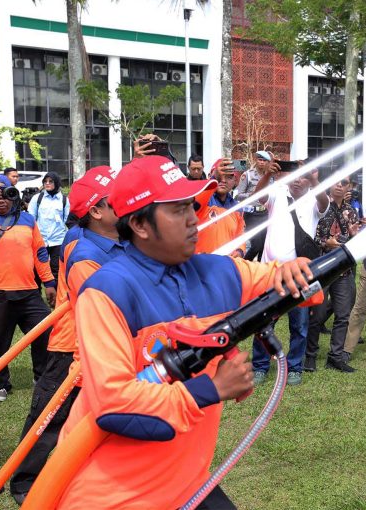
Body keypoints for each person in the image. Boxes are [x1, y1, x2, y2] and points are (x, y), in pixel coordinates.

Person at [55, 155, 316, 509]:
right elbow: (114, 405)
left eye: (191, 206)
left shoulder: (218, 272)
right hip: (114, 493)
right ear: (140, 225)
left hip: (187, 483)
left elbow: (295, 288)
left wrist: (297, 270)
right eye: (178, 210)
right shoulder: (108, 291)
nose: (194, 219)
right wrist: (211, 389)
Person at [9, 166, 124, 504]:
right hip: (72, 348)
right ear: (96, 211)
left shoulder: (117, 238)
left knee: (93, 420)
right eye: (116, 199)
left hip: (102, 346)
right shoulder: (81, 248)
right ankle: (25, 484)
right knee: (48, 419)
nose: (126, 203)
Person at [0, 175, 56, 402]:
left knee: (45, 333)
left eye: (5, 191)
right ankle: (0, 385)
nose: (1, 196)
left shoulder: (28, 220)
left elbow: (39, 253)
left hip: (29, 292)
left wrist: (49, 283)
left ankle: (41, 377)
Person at [250, 157, 329, 386]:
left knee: (300, 325)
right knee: (263, 322)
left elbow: (324, 204)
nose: (298, 181)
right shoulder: (277, 193)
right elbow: (258, 197)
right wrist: (267, 175)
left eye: (303, 177)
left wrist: (314, 179)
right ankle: (260, 365)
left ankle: (295, 367)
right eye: (295, 176)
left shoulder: (314, 200)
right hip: (269, 272)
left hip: (299, 274)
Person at [304, 178, 366, 373]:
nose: (339, 185)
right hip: (321, 269)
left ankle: (335, 356)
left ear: (349, 187)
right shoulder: (320, 207)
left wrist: (356, 235)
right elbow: (310, 236)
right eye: (336, 182)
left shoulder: (352, 212)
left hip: (343, 270)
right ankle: (310, 355)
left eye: (344, 183)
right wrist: (325, 243)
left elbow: (353, 241)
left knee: (342, 315)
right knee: (317, 315)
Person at [194, 158, 245, 256]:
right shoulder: (203, 199)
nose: (223, 180)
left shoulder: (237, 208)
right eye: (219, 176)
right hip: (200, 265)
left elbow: (240, 234)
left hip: (225, 265)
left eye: (229, 177)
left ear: (235, 181)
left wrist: (239, 251)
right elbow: (195, 202)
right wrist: (213, 179)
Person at [28, 172, 70, 286]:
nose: (47, 184)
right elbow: (31, 218)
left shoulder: (64, 200)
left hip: (58, 239)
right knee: (37, 267)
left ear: (56, 183)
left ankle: (55, 297)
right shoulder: (38, 198)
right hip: (40, 239)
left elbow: (66, 219)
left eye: (50, 181)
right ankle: (36, 295)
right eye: (45, 181)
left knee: (56, 268)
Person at [236, 151, 272, 260]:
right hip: (251, 214)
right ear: (256, 160)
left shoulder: (270, 177)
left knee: (264, 246)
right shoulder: (247, 175)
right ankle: (243, 265)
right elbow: (238, 195)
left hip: (265, 214)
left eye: (264, 160)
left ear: (268, 163)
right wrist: (251, 195)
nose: (261, 162)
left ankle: (260, 270)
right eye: (259, 160)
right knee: (256, 245)